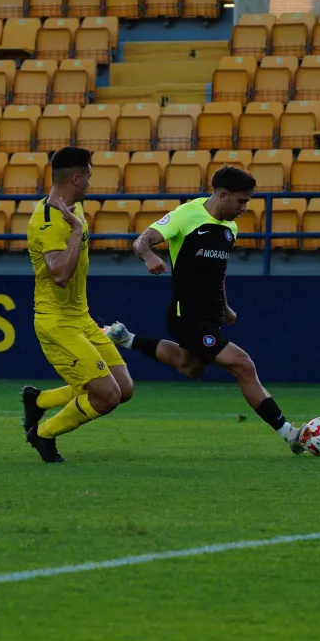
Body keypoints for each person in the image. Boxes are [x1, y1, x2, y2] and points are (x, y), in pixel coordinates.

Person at [103, 166, 304, 455]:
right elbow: (141, 241)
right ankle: (289, 433)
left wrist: (224, 306)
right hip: (187, 316)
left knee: (189, 367)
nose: (245, 208)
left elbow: (217, 272)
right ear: (222, 196)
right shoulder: (186, 215)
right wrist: (148, 256)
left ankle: (126, 338)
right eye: (241, 201)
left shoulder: (230, 228)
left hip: (209, 315)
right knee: (243, 365)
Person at [21, 146, 134, 463]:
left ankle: (38, 401)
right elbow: (59, 275)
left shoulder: (75, 207)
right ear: (75, 178)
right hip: (57, 323)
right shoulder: (47, 221)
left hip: (81, 317)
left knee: (123, 389)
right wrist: (76, 231)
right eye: (88, 177)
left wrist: (76, 227)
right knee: (107, 396)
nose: (90, 182)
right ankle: (43, 434)